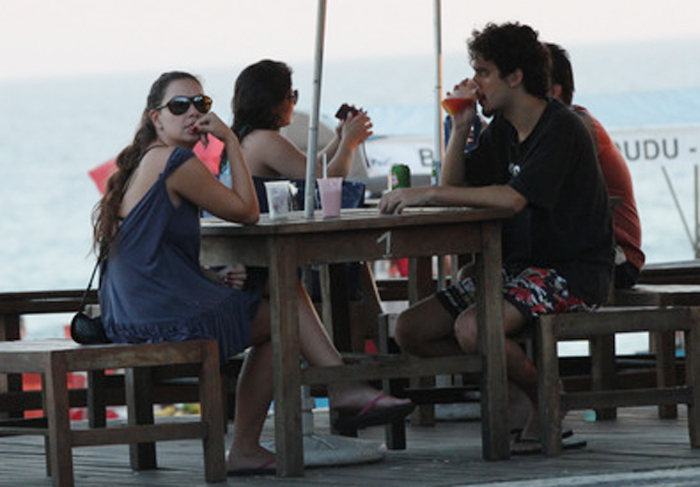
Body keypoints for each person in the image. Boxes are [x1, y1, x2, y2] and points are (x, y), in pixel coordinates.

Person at [92, 71, 412, 475]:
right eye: (180, 106)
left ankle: (327, 395)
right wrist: (228, 141)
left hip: (135, 311)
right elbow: (247, 211)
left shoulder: (147, 160)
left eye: (201, 105)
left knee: (282, 301)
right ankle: (326, 395)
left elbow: (156, 254)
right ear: (155, 118)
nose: (193, 113)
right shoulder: (175, 162)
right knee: (281, 314)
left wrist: (213, 279)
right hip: (155, 315)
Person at [379, 23, 614, 451]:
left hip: (572, 272)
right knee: (411, 329)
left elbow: (512, 200)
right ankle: (515, 391)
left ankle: (547, 397)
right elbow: (459, 187)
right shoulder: (503, 129)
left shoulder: (561, 128)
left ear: (515, 76)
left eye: (484, 72)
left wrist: (426, 192)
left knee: (474, 328)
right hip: (517, 270)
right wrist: (462, 123)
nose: (476, 83)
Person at [546, 42, 645, 289]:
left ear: (554, 92)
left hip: (612, 259)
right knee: (479, 277)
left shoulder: (578, 127)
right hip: (573, 254)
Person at [229, 59, 372, 179]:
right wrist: (350, 142)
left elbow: (310, 167)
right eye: (291, 96)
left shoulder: (250, 137)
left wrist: (340, 138)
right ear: (273, 104)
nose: (294, 103)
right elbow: (327, 180)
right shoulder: (267, 140)